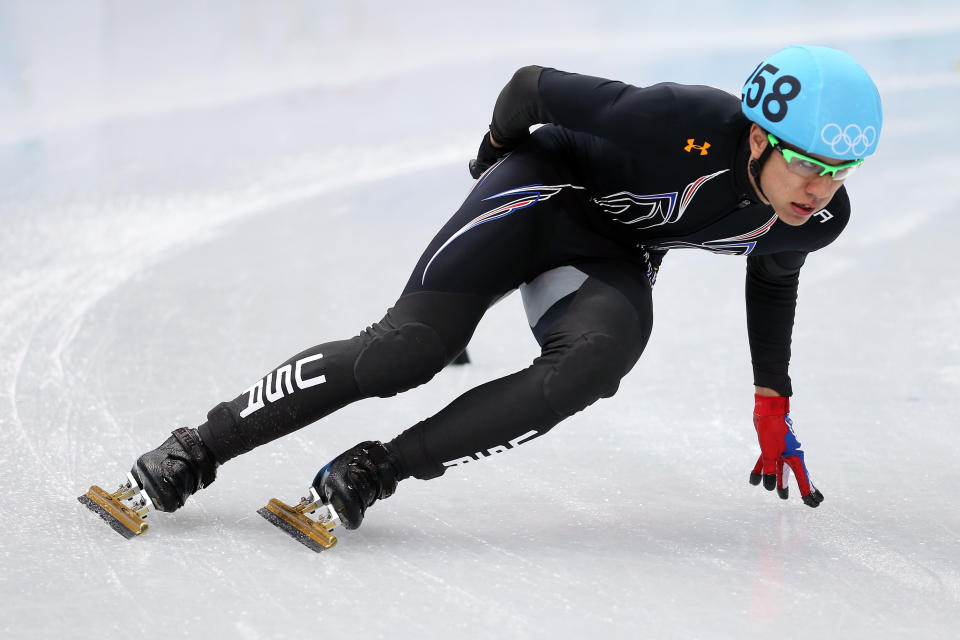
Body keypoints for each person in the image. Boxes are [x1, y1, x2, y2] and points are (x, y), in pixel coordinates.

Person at [127, 45, 882, 530]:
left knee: (598, 362)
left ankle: (374, 469)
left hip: (611, 254)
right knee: (406, 355)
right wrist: (489, 160)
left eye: (839, 173)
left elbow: (773, 284)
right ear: (757, 136)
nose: (820, 189)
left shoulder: (814, 220)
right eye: (807, 164)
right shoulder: (677, 121)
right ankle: (199, 445)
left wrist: (771, 400)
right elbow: (530, 88)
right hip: (537, 193)